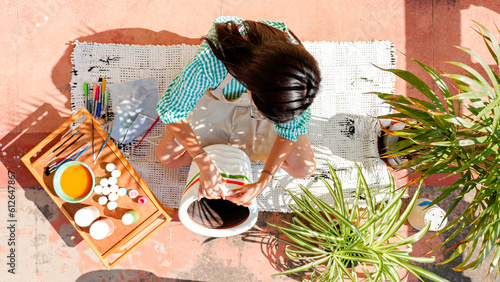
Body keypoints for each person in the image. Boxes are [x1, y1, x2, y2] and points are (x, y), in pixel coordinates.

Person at [156, 16, 321, 207]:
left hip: (266, 94)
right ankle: (216, 147)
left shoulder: (297, 81)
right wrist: (203, 161)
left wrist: (263, 181)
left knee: (303, 168)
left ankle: (221, 145)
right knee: (167, 157)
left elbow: (290, 130)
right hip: (213, 101)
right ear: (250, 87)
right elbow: (173, 112)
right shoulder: (209, 64)